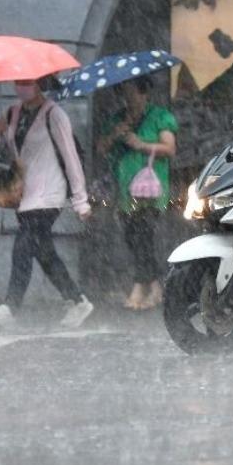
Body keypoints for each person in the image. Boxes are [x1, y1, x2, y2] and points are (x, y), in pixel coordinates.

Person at [0, 76, 95, 329]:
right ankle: (77, 301)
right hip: (24, 195)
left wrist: (80, 201)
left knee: (23, 244)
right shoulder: (12, 113)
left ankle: (10, 307)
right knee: (44, 253)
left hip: (49, 193)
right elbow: (9, 155)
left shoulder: (54, 115)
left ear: (40, 84)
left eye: (27, 82)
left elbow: (71, 157)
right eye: (17, 82)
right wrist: (0, 134)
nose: (21, 86)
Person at [98, 76, 178, 310]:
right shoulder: (118, 119)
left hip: (149, 191)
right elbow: (101, 148)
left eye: (132, 92)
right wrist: (117, 133)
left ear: (144, 93)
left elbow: (169, 148)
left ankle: (139, 288)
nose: (128, 97)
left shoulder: (159, 117)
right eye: (124, 93)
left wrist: (140, 144)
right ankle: (154, 287)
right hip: (125, 189)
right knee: (133, 238)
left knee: (142, 237)